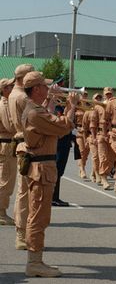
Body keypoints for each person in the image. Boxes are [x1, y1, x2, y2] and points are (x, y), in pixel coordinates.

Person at [21, 71, 77, 277]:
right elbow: (62, 127)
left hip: (42, 167)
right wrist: (71, 107)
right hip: (42, 169)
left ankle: (35, 261)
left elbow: (48, 117)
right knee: (39, 217)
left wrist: (51, 99)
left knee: (38, 215)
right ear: (36, 89)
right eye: (44, 87)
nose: (48, 88)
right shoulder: (35, 113)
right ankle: (34, 262)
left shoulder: (36, 109)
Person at [9, 63, 35, 250]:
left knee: (23, 192)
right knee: (26, 194)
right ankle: (22, 233)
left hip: (22, 143)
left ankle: (22, 232)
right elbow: (38, 120)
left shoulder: (14, 94)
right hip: (29, 144)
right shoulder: (22, 97)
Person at [90, 87, 115, 190]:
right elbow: (93, 122)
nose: (108, 95)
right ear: (104, 95)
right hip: (101, 134)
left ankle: (102, 172)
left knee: (112, 158)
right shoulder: (98, 107)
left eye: (110, 94)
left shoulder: (115, 104)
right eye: (107, 94)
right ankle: (103, 178)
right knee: (102, 157)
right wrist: (93, 136)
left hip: (113, 134)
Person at [0, 78, 17, 225]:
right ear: (4, 89)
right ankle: (1, 212)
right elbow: (10, 126)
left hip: (7, 144)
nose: (13, 88)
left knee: (6, 179)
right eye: (11, 86)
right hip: (6, 145)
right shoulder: (4, 104)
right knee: (6, 180)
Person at [83, 93, 101, 183]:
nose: (98, 100)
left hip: (100, 136)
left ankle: (93, 173)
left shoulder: (103, 112)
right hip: (91, 136)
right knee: (95, 156)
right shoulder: (87, 112)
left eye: (99, 98)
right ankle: (97, 174)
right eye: (96, 98)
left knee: (100, 157)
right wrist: (85, 139)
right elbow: (85, 127)